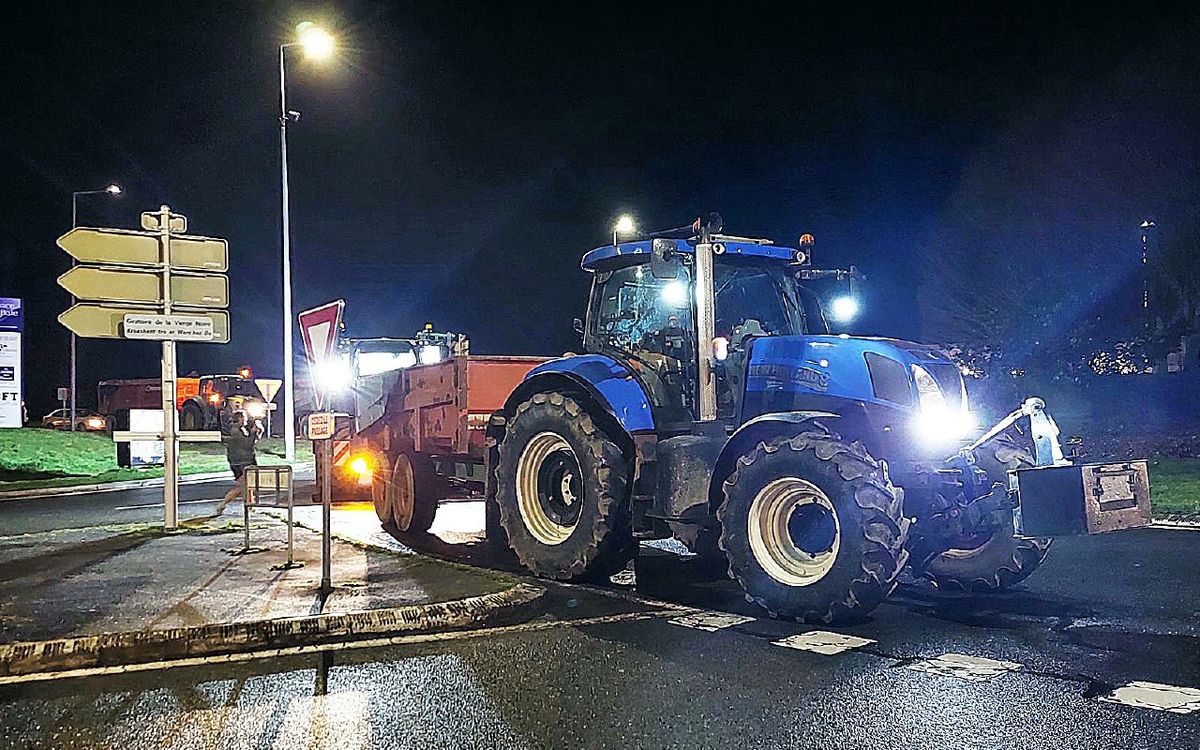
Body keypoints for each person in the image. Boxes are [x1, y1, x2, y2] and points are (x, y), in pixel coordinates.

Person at [215, 411, 260, 514]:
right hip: (242, 461)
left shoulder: (240, 429)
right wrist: (253, 433)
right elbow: (247, 444)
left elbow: (250, 443)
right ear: (239, 419)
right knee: (242, 485)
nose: (246, 420)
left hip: (240, 460)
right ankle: (223, 504)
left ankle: (251, 506)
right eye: (244, 418)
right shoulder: (236, 430)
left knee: (248, 484)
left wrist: (257, 433)